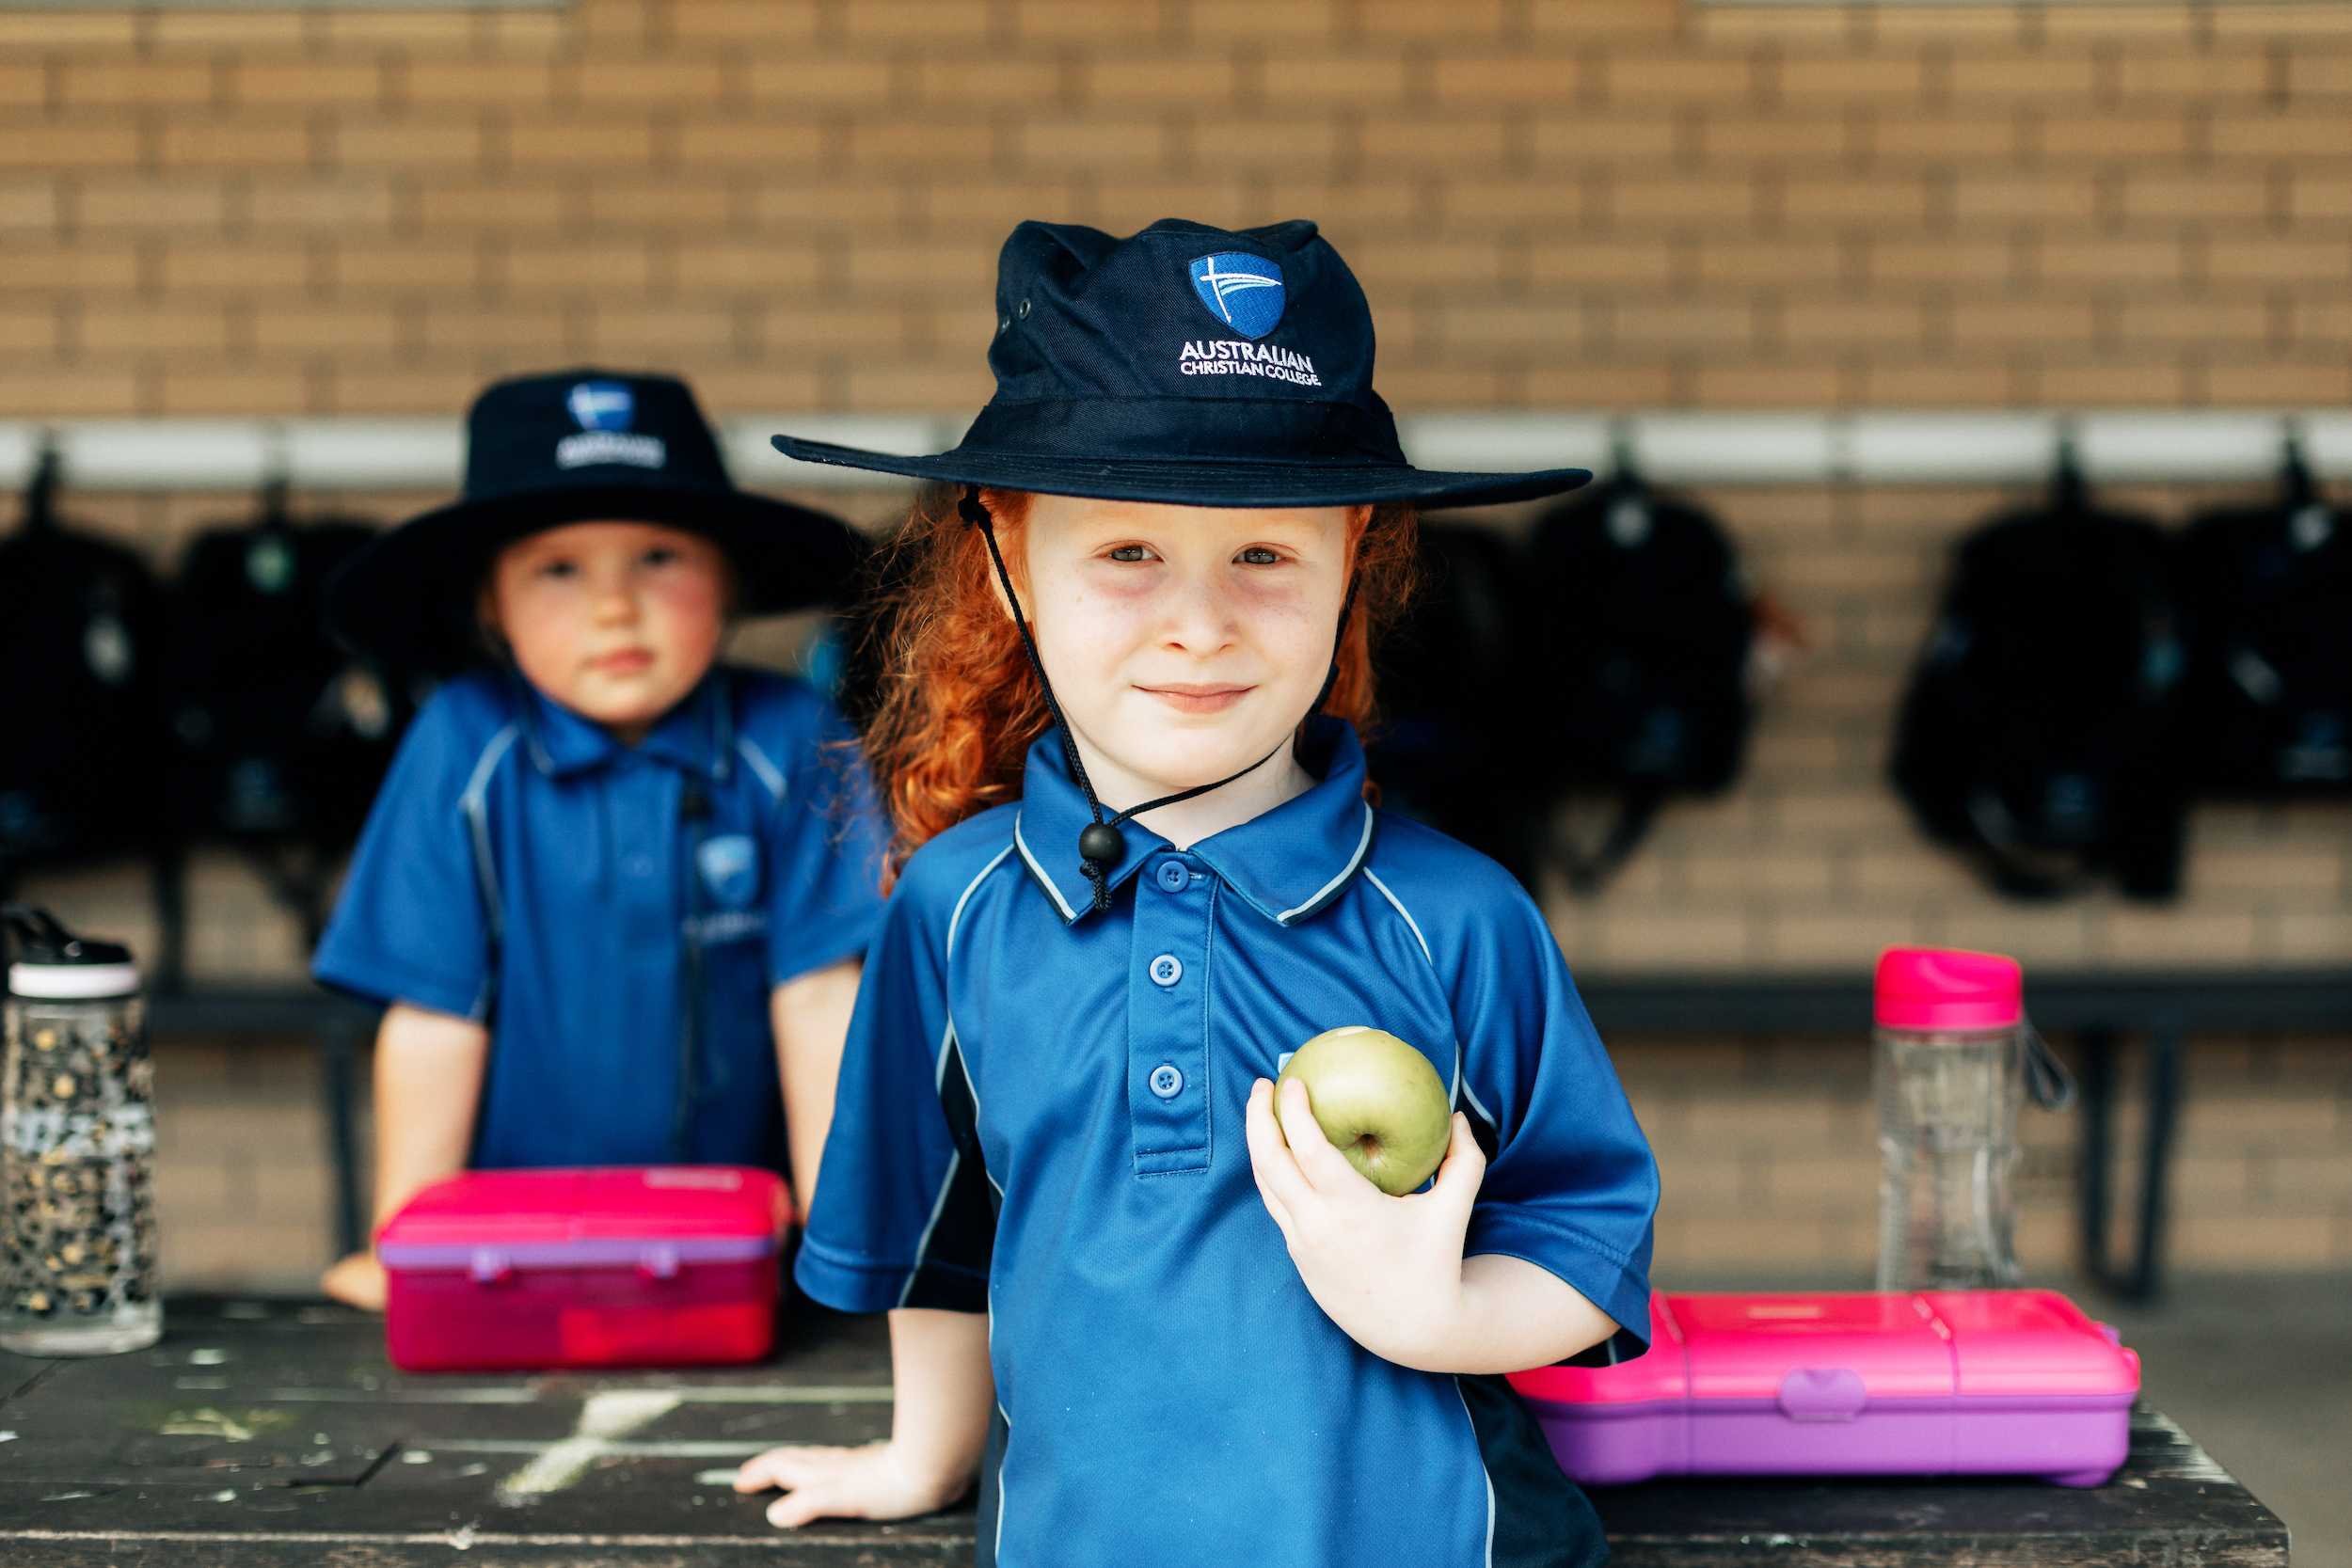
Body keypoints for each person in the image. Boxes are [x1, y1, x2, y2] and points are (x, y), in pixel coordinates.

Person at [731, 220, 1660, 1568]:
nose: (1200, 623)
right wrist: (919, 1454)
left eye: (1263, 557)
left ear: (1355, 552)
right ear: (1010, 555)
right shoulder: (956, 905)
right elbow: (934, 1239)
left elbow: (1585, 1237)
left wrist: (1439, 1318)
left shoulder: (1456, 916)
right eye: (1128, 555)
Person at [309, 369, 883, 1310]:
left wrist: (842, 1240)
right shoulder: (465, 741)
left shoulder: (790, 736)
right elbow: (433, 1013)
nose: (615, 606)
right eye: (559, 568)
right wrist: (408, 1244)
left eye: (658, 556)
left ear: (727, 578)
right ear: (491, 603)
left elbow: (822, 995)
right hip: (511, 1256)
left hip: (738, 1253)